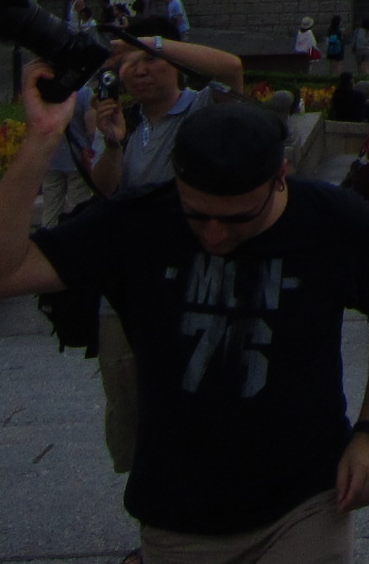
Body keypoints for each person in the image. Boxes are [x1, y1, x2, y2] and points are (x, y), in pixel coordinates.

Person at [0, 78, 369, 564]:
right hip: (179, 512)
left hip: (304, 501)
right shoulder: (139, 220)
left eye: (238, 218)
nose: (215, 235)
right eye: (197, 215)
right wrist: (41, 138)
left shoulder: (331, 221)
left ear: (279, 176)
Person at [78, 30, 250, 473]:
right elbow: (105, 188)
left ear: (174, 63)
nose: (139, 70)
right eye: (130, 63)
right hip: (129, 283)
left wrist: (153, 40)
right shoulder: (124, 120)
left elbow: (231, 68)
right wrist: (112, 143)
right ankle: (147, 496)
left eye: (150, 60)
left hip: (195, 278)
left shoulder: (201, 107)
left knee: (195, 393)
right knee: (128, 398)